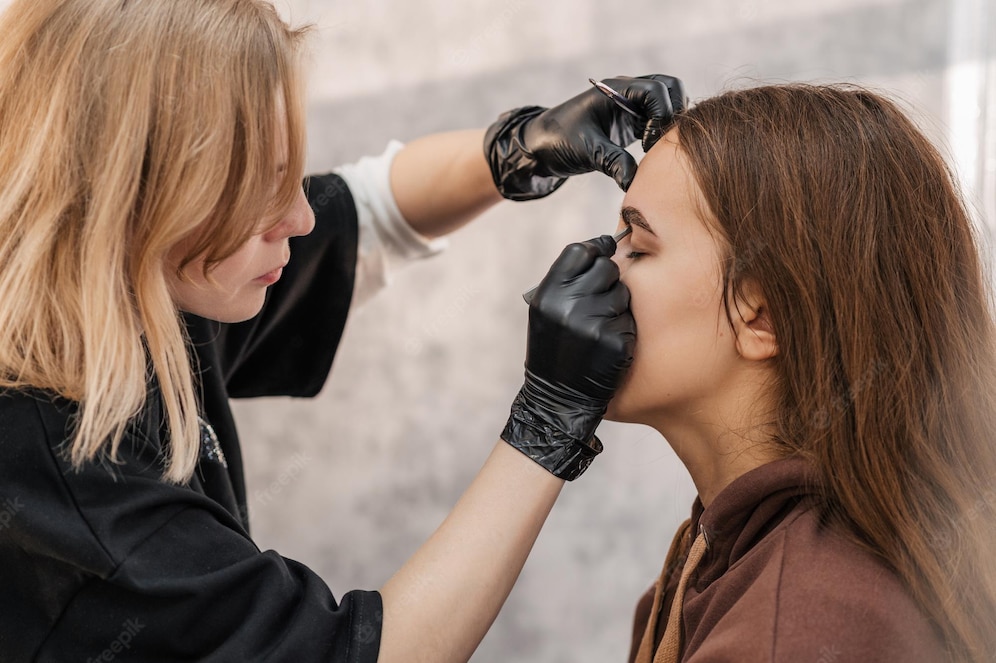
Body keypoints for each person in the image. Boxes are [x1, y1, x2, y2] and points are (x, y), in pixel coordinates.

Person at [0, 0, 685, 661]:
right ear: (140, 201)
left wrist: (516, 149)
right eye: (260, 188)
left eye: (289, 173)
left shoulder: (120, 283)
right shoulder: (64, 483)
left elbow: (365, 209)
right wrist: (548, 420)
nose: (299, 218)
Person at [605, 84, 996, 662]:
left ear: (760, 315)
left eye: (636, 248)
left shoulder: (792, 626)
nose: (594, 274)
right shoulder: (709, 574)